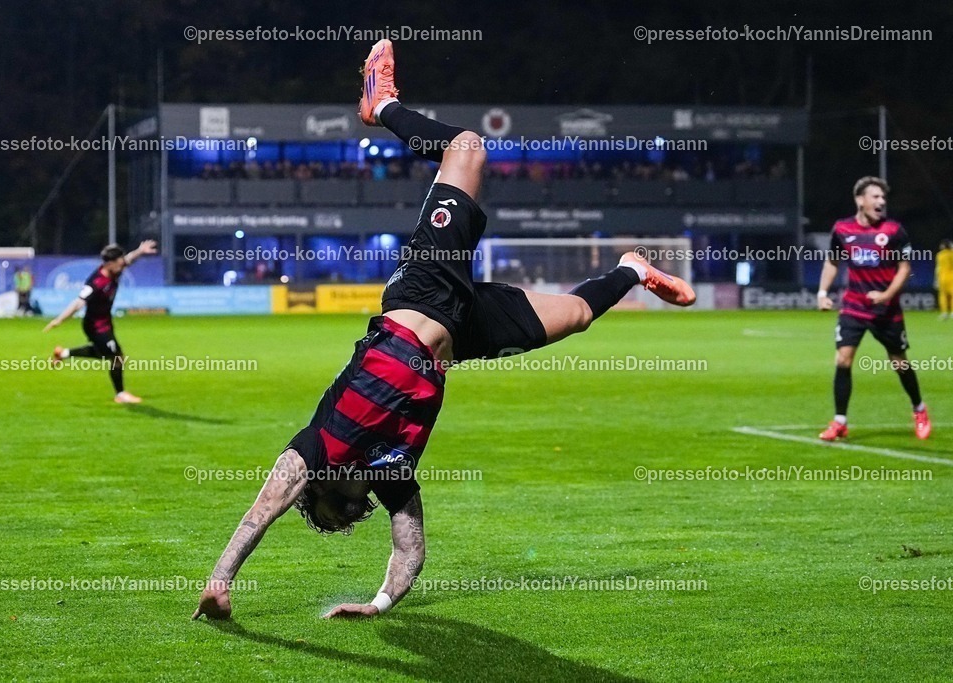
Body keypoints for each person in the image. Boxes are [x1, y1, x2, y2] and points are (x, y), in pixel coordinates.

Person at [192, 40, 696, 622]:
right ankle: (632, 269)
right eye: (352, 518)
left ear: (329, 489)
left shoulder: (318, 449)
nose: (356, 514)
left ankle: (380, 107)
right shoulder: (391, 475)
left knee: (466, 148)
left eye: (340, 513)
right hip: (463, 331)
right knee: (577, 316)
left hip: (423, 292)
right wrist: (377, 605)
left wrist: (221, 580)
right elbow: (411, 551)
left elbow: (262, 509)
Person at [817, 176, 930, 441]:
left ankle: (919, 409)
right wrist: (822, 293)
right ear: (860, 200)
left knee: (900, 363)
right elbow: (832, 262)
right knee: (843, 359)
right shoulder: (843, 229)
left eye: (883, 198)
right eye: (875, 196)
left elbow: (905, 268)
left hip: (886, 311)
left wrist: (886, 295)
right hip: (854, 307)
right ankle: (840, 421)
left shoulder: (893, 231)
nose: (881, 202)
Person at [43, 241, 158, 403]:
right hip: (95, 326)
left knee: (104, 354)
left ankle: (62, 353)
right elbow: (78, 302)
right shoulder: (96, 282)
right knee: (117, 357)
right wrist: (59, 320)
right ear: (110, 264)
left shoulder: (115, 269)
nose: (122, 265)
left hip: (105, 322)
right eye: (119, 262)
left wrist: (140, 251)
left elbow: (129, 259)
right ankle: (120, 394)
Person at [936, 239, 953, 320]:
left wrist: (936, 280)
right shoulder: (951, 254)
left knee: (943, 295)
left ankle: (944, 313)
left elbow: (937, 268)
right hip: (951, 276)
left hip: (941, 277)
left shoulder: (939, 255)